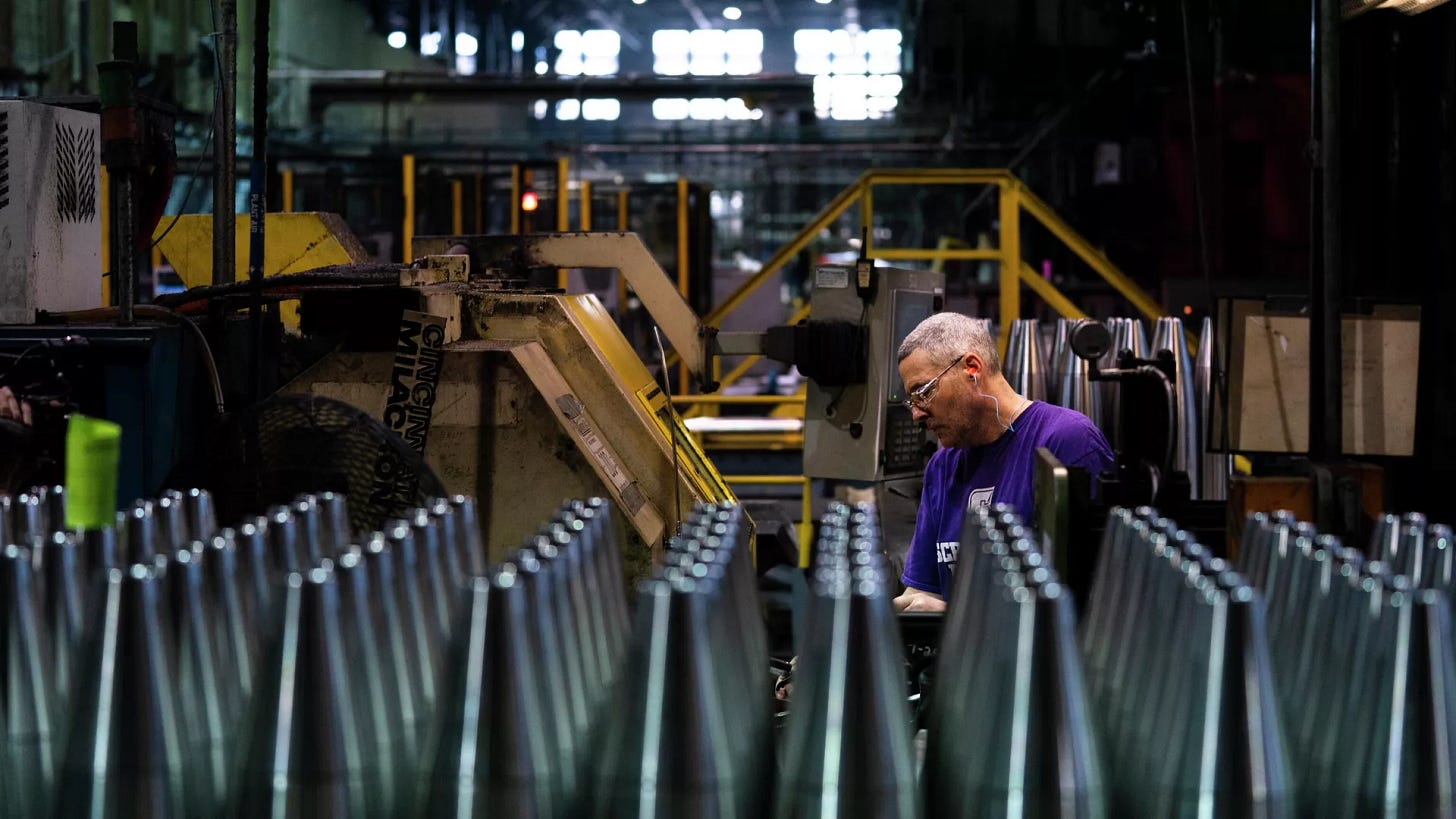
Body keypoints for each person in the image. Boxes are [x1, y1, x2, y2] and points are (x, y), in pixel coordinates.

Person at [891, 313, 1113, 612]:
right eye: (912, 401)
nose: (917, 414)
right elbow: (922, 591)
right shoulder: (943, 467)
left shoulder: (1067, 443)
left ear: (972, 368)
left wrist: (954, 617)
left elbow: (1094, 604)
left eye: (923, 392)